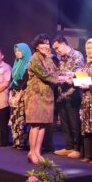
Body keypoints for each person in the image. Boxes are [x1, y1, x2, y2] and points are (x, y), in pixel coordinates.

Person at [25, 34, 60, 165]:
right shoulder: (35, 58)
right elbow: (45, 75)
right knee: (35, 125)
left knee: (43, 125)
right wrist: (61, 80)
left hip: (47, 96)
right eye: (43, 43)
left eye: (47, 43)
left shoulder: (48, 59)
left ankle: (37, 152)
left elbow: (56, 72)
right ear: (37, 46)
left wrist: (66, 76)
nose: (46, 46)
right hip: (36, 96)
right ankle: (31, 152)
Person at [52, 35, 86, 158]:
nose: (57, 51)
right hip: (61, 95)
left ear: (64, 43)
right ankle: (69, 146)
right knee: (64, 123)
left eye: (57, 47)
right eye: (55, 49)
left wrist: (66, 76)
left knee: (74, 122)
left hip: (73, 94)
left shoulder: (77, 55)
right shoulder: (61, 59)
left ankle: (77, 148)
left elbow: (80, 74)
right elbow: (58, 74)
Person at [9, 43, 32, 150]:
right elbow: (12, 80)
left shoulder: (28, 64)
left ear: (25, 51)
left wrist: (19, 96)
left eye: (19, 51)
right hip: (14, 93)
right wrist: (10, 95)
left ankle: (22, 142)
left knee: (22, 119)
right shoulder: (16, 63)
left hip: (23, 94)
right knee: (14, 118)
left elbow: (26, 82)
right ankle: (15, 140)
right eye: (16, 51)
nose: (17, 53)